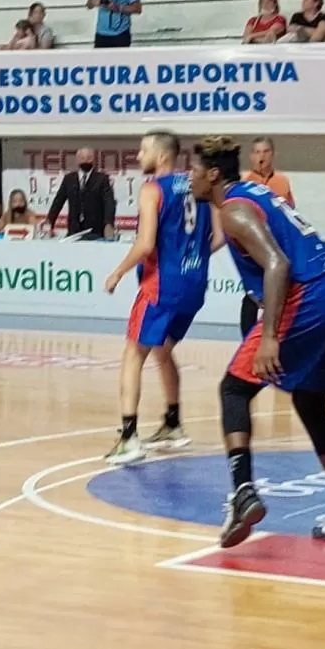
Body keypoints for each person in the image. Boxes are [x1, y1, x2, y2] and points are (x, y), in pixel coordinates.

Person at [188, 136, 325, 549]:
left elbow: (277, 263)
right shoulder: (256, 193)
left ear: (214, 175)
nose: (189, 179)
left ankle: (243, 492)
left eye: (194, 171)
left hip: (311, 295)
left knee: (234, 389)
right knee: (309, 401)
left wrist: (270, 336)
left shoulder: (234, 209)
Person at [103, 132, 221, 465]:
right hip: (194, 285)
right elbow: (220, 236)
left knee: (132, 353)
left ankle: (129, 438)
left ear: (162, 155)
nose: (139, 156)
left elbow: (145, 245)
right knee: (162, 349)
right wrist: (193, 258)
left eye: (144, 150)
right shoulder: (199, 185)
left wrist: (117, 272)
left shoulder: (152, 189)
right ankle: (173, 424)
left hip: (161, 286)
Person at [240, 137, 294, 338]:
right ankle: (247, 340)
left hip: (278, 247)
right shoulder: (245, 183)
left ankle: (278, 336)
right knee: (252, 296)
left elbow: (290, 213)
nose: (261, 157)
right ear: (251, 156)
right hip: (255, 247)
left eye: (265, 152)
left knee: (280, 294)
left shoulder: (282, 182)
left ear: (273, 154)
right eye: (257, 152)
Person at [45, 147, 116, 240]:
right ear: (77, 160)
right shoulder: (69, 179)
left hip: (95, 231)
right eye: (82, 158)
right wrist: (49, 222)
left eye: (89, 158)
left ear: (93, 159)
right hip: (73, 231)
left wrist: (109, 223)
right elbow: (58, 202)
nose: (85, 161)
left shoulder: (102, 179)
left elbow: (109, 203)